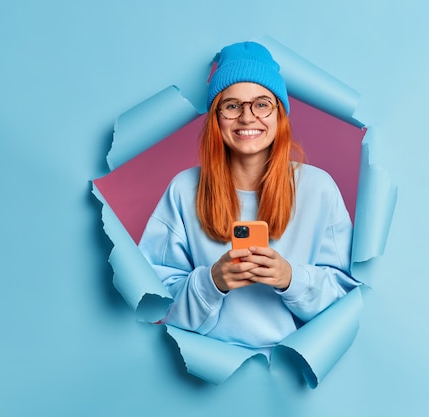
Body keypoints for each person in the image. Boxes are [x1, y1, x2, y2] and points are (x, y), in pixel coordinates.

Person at [139, 41, 359, 354]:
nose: (247, 117)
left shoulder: (318, 189)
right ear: (216, 117)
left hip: (288, 369)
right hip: (205, 365)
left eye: (261, 104)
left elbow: (349, 302)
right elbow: (154, 304)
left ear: (279, 113)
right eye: (232, 105)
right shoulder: (184, 190)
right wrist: (212, 282)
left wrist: (290, 278)